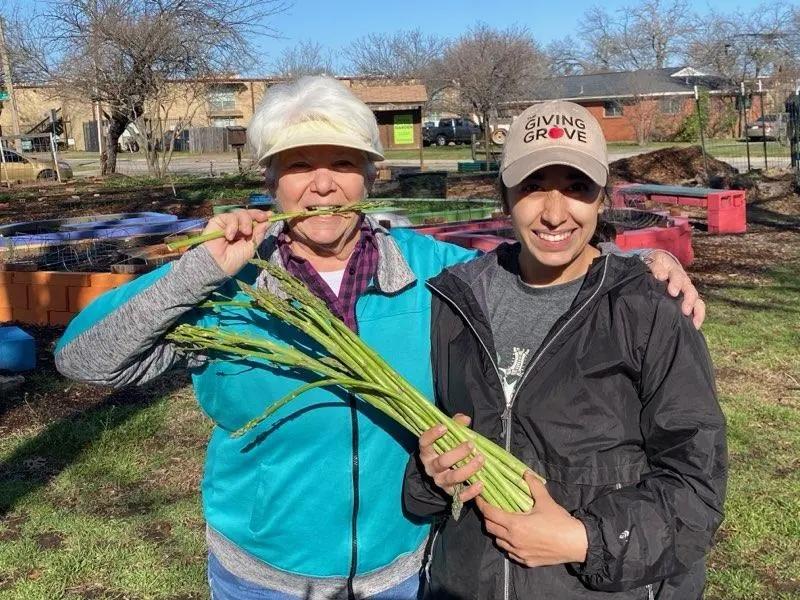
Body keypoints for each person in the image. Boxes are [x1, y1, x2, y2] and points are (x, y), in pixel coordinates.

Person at [55, 78, 704, 600]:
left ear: (371, 176)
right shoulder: (225, 285)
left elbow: (536, 259)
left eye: (343, 163)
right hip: (262, 578)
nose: (322, 183)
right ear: (269, 179)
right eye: (297, 164)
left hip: (401, 571)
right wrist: (200, 270)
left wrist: (626, 265)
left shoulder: (434, 275)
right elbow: (84, 360)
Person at [403, 100, 727, 600]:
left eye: (577, 188)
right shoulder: (453, 299)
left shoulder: (646, 308)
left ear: (602, 199)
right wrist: (431, 476)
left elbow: (696, 482)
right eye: (533, 187)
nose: (555, 213)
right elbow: (433, 439)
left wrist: (584, 540)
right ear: (505, 196)